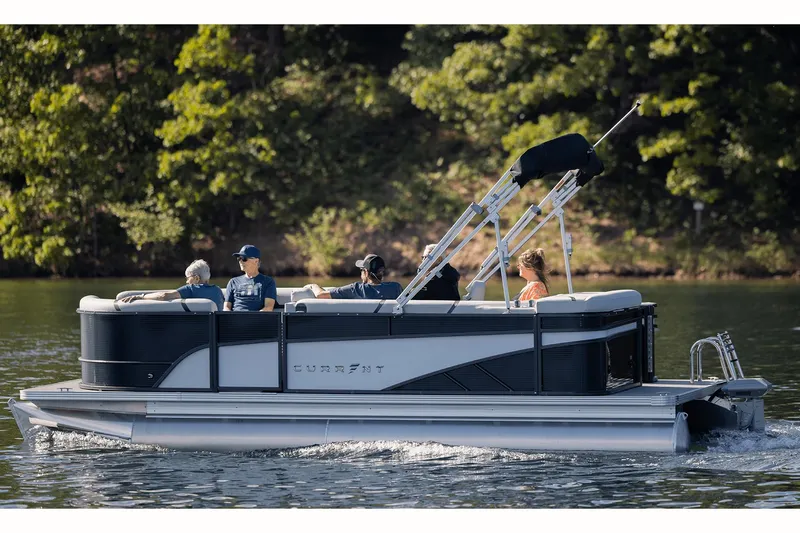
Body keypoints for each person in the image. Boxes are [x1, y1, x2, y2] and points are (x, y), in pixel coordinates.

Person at [118, 259, 225, 310]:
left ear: (196, 278)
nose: (187, 281)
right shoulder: (218, 290)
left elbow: (163, 296)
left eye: (188, 278)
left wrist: (141, 297)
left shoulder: (191, 289)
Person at [305, 253, 402, 299]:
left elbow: (320, 295)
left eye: (361, 270)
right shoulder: (395, 288)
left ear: (366, 272)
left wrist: (313, 286)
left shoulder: (355, 289)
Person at [224, 245, 277, 312]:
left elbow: (268, 307)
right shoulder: (233, 282)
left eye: (244, 259)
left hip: (257, 318)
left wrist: (254, 317)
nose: (240, 261)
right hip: (235, 318)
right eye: (239, 258)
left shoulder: (268, 282)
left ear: (256, 261)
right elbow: (226, 307)